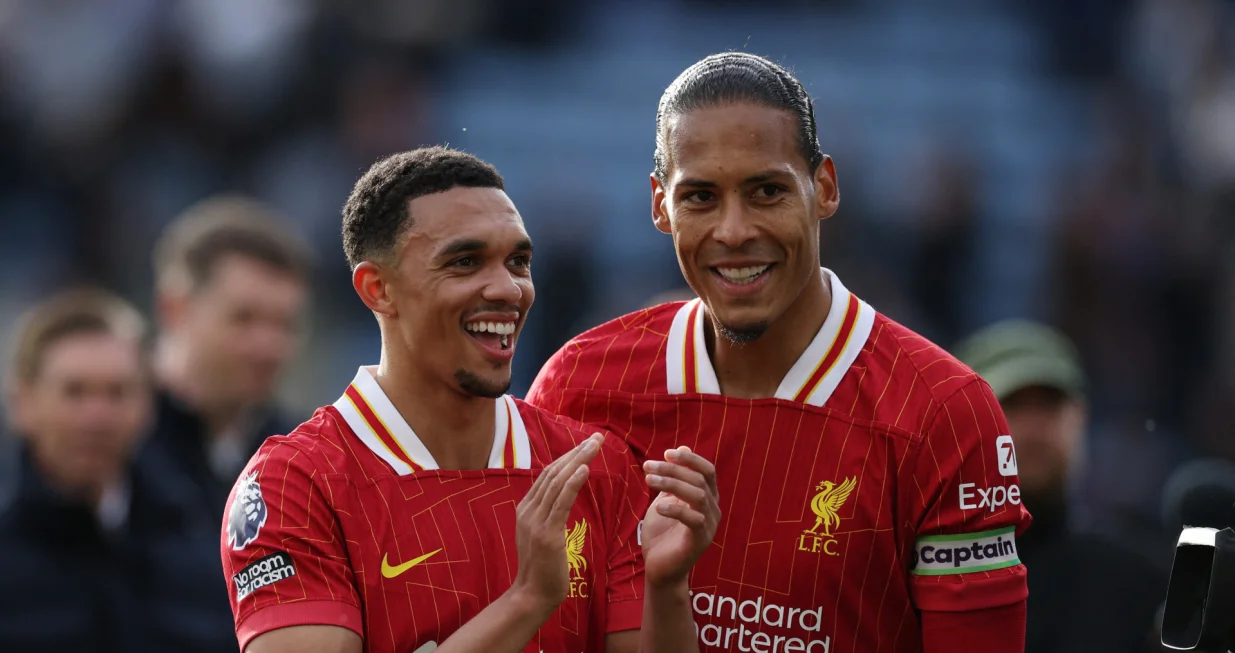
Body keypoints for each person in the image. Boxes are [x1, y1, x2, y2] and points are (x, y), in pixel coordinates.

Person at [527, 52, 1031, 653]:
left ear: (824, 188)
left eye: (766, 191)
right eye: (701, 197)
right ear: (661, 205)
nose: (734, 230)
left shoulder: (945, 414)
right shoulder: (579, 388)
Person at [221, 147, 720, 653]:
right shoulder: (296, 485)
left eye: (518, 261)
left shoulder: (597, 467)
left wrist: (667, 588)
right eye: (465, 262)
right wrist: (525, 602)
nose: (508, 288)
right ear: (379, 290)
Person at [0, 289, 235, 653]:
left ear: (148, 405)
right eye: (74, 392)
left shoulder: (204, 540)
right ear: (23, 404)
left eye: (117, 392)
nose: (98, 417)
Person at [955, 320, 1168, 653]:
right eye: (1011, 406)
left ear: (1080, 418)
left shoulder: (1137, 582)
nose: (1034, 427)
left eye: (1049, 405)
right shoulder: (913, 580)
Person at [141, 194, 312, 525]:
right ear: (175, 310)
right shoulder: (105, 441)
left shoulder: (300, 456)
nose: (268, 345)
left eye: (285, 324)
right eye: (243, 319)